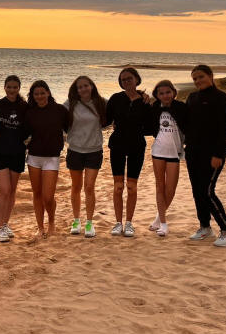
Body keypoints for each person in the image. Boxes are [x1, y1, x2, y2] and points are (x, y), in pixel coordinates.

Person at [185, 65, 226, 246]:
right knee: (197, 191)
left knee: (207, 192)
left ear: (210, 76)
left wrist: (218, 154)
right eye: (194, 79)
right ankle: (205, 227)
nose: (198, 81)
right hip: (192, 152)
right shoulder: (192, 97)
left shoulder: (221, 98)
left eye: (201, 77)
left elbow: (225, 130)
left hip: (212, 155)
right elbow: (184, 121)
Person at [105, 67, 150, 237]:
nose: (126, 82)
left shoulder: (145, 101)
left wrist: (137, 130)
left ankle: (129, 223)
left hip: (137, 146)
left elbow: (151, 125)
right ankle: (118, 223)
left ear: (136, 79)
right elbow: (105, 120)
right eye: (123, 80)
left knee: (131, 187)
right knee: (118, 187)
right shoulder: (115, 98)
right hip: (117, 145)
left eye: (129, 78)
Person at [23, 80, 69, 241]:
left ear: (48, 93)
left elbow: (71, 128)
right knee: (37, 194)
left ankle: (51, 222)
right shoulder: (30, 112)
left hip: (52, 158)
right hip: (34, 157)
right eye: (36, 94)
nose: (40, 96)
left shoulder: (59, 110)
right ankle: (40, 227)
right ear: (33, 96)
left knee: (48, 197)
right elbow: (22, 133)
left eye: (42, 93)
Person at [64, 76, 108, 239]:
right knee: (76, 186)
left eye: (86, 85)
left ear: (92, 86)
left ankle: (89, 222)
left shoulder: (102, 102)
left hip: (94, 150)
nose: (83, 89)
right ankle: (76, 221)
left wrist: (141, 96)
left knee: (89, 187)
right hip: (75, 150)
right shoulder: (70, 104)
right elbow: (54, 114)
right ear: (76, 90)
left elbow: (119, 106)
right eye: (80, 87)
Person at [0, 75, 28, 242]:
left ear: (19, 88)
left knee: (12, 191)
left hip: (17, 152)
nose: (12, 90)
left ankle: (5, 224)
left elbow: (31, 127)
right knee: (4, 190)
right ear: (4, 87)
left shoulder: (24, 107)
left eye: (15, 87)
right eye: (9, 87)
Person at [147, 80, 187, 237]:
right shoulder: (154, 108)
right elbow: (147, 124)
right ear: (157, 95)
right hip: (158, 151)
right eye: (161, 93)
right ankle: (163, 224)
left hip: (175, 153)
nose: (165, 96)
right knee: (160, 186)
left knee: (170, 189)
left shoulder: (181, 107)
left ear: (174, 92)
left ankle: (158, 217)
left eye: (168, 92)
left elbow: (190, 127)